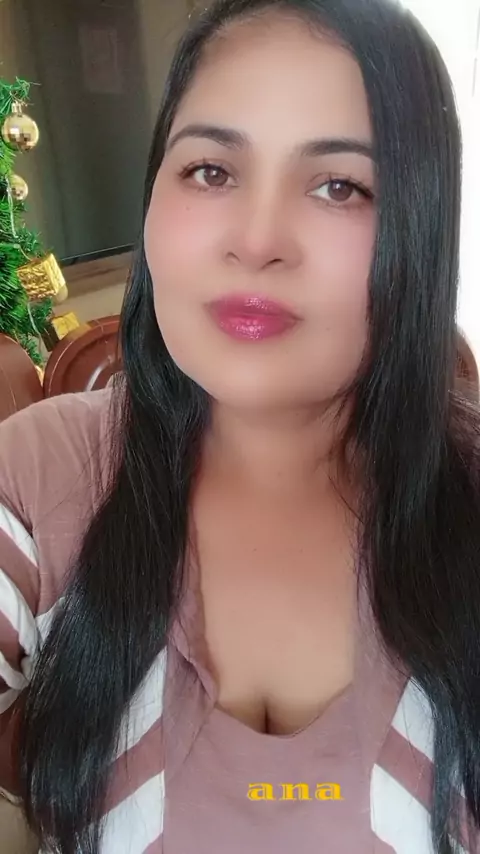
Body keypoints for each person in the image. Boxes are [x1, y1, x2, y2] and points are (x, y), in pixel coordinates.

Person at [0, 0, 478, 851]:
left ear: (423, 224)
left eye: (339, 186)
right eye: (212, 171)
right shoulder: (39, 479)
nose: (257, 242)